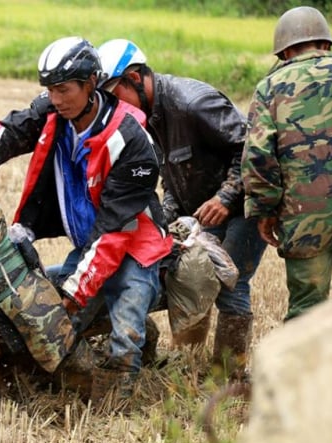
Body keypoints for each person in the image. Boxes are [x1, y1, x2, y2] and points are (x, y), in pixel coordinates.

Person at [0, 36, 173, 406]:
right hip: (90, 241)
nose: (55, 98)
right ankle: (41, 384)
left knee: (126, 329)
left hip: (134, 245)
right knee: (57, 322)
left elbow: (114, 233)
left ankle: (114, 407)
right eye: (49, 90)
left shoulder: (132, 140)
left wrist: (76, 292)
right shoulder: (56, 111)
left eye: (63, 89)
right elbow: (16, 126)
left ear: (91, 84)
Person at [96, 38, 267, 379]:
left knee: (232, 282)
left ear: (133, 78)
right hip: (202, 210)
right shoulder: (144, 118)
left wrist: (226, 197)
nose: (115, 107)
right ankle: (189, 362)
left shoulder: (193, 103)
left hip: (245, 205)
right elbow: (170, 173)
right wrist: (168, 215)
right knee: (191, 275)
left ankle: (228, 375)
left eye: (115, 95)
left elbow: (251, 151)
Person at [242, 6, 332, 321]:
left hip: (304, 218)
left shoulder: (270, 88)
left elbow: (257, 156)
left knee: (307, 314)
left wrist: (264, 210)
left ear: (284, 52)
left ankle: (307, 371)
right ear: (326, 44)